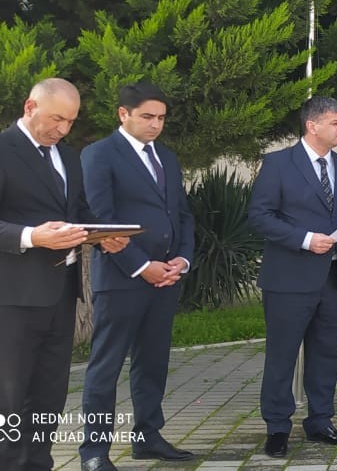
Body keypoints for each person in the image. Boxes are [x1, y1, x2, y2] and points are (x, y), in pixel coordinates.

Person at [0, 78, 128, 471]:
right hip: (9, 296)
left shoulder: (69, 157)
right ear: (30, 107)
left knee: (48, 396)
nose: (63, 129)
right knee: (5, 399)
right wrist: (31, 236)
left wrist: (102, 236)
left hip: (60, 294)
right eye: (57, 119)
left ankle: (36, 464)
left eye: (70, 121)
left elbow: (77, 212)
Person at [248, 96, 337, 458]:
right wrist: (304, 239)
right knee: (282, 355)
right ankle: (277, 427)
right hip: (288, 279)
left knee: (326, 354)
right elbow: (259, 216)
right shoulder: (278, 164)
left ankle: (320, 421)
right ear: (312, 125)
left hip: (333, 279)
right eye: (336, 122)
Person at [78, 83, 196, 470]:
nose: (155, 125)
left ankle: (148, 438)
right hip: (122, 279)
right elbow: (100, 219)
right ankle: (94, 452)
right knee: (106, 366)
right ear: (123, 114)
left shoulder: (167, 157)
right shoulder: (99, 154)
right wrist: (143, 267)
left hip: (166, 278)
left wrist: (182, 260)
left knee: (153, 362)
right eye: (147, 117)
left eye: (161, 118)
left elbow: (182, 214)